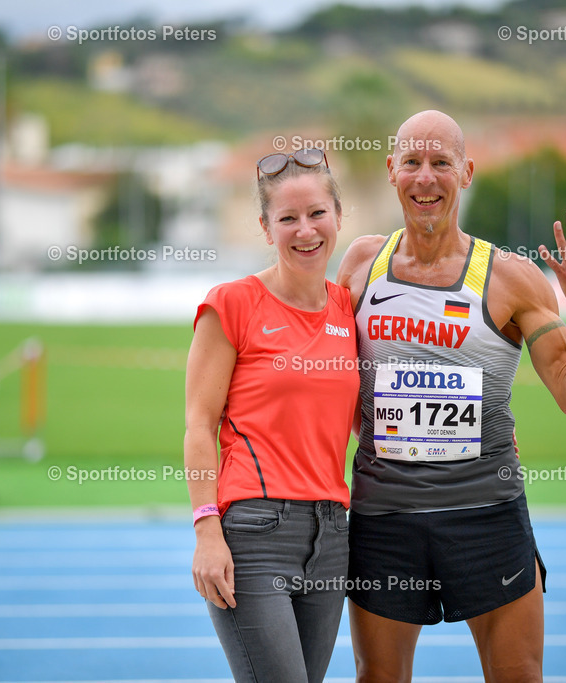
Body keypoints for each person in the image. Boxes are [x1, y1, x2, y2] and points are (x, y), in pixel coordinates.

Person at [336, 110, 566, 683]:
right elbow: (331, 380)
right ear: (391, 170)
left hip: (487, 516)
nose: (425, 177)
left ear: (466, 172)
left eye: (441, 163)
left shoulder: (512, 279)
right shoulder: (361, 265)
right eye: (412, 162)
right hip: (384, 519)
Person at [184, 148, 359, 683]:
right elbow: (198, 426)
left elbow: (369, 415)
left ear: (337, 216)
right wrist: (206, 532)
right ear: (266, 228)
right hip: (254, 533)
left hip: (332, 536)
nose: (305, 230)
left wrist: (485, 429)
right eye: (287, 218)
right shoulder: (232, 303)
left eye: (316, 214)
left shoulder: (348, 310)